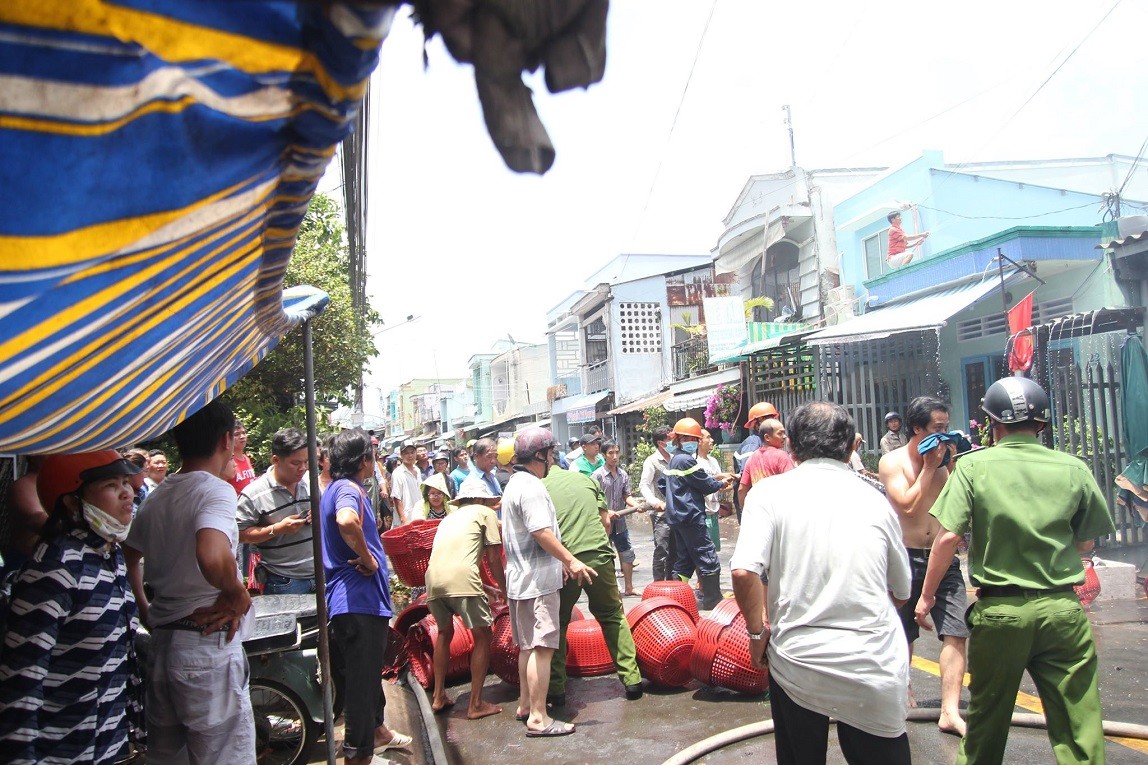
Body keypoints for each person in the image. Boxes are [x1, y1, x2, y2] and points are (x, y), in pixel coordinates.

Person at [915, 377, 1116, 765]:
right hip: (1063, 611)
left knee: (987, 723)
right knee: (1080, 725)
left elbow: (946, 538)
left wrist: (926, 597)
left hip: (1001, 613)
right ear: (1041, 425)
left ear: (993, 424)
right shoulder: (1073, 467)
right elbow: (1087, 542)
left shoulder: (973, 466)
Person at [732, 401, 912, 765]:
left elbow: (743, 571)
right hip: (872, 664)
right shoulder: (876, 499)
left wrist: (756, 635)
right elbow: (902, 590)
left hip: (799, 663)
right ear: (850, 448)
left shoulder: (767, 495)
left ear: (792, 447)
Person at [123, 399, 256, 763]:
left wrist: (145, 608)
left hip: (164, 644)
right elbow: (212, 553)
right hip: (206, 646)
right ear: (227, 440)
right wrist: (236, 594)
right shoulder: (215, 490)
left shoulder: (158, 494)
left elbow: (129, 555)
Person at [0, 451, 142, 764]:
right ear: (71, 501)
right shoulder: (55, 567)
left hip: (106, 745)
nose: (127, 492)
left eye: (126, 482)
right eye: (110, 484)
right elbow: (23, 677)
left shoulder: (111, 556)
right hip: (58, 752)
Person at [320, 428, 411, 764]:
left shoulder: (332, 488)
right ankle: (359, 757)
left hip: (351, 603)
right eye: (372, 456)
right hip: (357, 601)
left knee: (365, 678)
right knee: (360, 688)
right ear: (364, 461)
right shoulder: (347, 489)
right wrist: (370, 558)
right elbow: (347, 521)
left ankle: (374, 738)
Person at [879, 395, 968, 734]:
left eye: (947, 428)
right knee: (902, 632)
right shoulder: (893, 462)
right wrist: (930, 467)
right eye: (938, 429)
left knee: (956, 630)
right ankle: (903, 688)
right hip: (906, 556)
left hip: (943, 557)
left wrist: (955, 461)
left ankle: (950, 709)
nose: (944, 435)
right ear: (917, 429)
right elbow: (908, 507)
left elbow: (957, 499)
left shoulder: (945, 460)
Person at [501, 426, 594, 738]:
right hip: (537, 583)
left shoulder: (514, 484)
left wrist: (560, 563)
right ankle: (539, 718)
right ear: (538, 456)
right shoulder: (532, 487)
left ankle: (526, 705)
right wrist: (571, 560)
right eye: (551, 454)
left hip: (520, 580)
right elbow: (541, 532)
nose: (553, 460)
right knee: (542, 647)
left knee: (528, 646)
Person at [543, 459, 644, 706]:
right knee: (612, 615)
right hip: (599, 555)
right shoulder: (587, 480)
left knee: (557, 622)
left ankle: (556, 690)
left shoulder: (540, 487)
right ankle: (632, 682)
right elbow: (606, 522)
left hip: (565, 562)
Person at [424, 480, 506, 719]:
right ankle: (476, 704)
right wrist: (505, 589)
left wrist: (487, 588)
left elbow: (461, 558)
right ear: (481, 500)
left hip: (433, 579)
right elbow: (492, 559)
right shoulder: (485, 513)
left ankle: (439, 696)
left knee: (444, 633)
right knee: (483, 634)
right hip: (461, 579)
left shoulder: (449, 519)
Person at [663, 417, 734, 610]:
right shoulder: (686, 460)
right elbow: (705, 484)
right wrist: (721, 484)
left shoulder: (674, 459)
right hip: (691, 516)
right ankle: (712, 599)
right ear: (679, 439)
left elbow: (678, 483)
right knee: (707, 555)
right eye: (689, 439)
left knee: (684, 561)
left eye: (693, 439)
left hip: (678, 517)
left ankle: (677, 600)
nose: (692, 442)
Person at [236, 427, 314, 595]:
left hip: (320, 576)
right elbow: (239, 534)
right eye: (296, 463)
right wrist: (277, 529)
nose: (303, 468)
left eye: (306, 462)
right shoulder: (254, 494)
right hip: (283, 581)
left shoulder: (310, 484)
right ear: (276, 460)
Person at [592, 440, 644, 596]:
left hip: (620, 523)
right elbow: (591, 499)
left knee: (627, 553)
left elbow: (626, 495)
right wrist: (607, 511)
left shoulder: (623, 474)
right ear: (604, 455)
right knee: (605, 556)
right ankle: (609, 589)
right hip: (603, 523)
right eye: (610, 453)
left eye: (616, 452)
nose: (614, 456)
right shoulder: (597, 475)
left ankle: (629, 587)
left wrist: (635, 505)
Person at [639, 425, 675, 580]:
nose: (675, 441)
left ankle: (674, 585)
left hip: (677, 512)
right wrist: (654, 502)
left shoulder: (676, 459)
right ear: (661, 443)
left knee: (676, 551)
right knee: (662, 549)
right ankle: (659, 585)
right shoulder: (652, 461)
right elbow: (644, 485)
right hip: (661, 514)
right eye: (671, 438)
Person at [734, 401, 781, 522]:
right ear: (757, 423)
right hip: (754, 501)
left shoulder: (767, 444)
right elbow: (749, 477)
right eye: (769, 419)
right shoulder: (753, 443)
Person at [736, 417, 795, 509]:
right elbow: (793, 484)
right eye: (780, 433)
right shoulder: (782, 456)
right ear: (767, 437)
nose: (784, 436)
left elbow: (741, 489)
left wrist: (744, 511)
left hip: (759, 511)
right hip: (779, 510)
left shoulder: (752, 458)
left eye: (784, 432)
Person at [697, 428, 725, 553]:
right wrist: (717, 479)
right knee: (704, 552)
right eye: (708, 437)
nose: (712, 440)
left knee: (713, 551)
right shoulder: (694, 462)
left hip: (713, 511)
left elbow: (720, 484)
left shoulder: (713, 461)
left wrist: (727, 481)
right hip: (701, 513)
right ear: (699, 441)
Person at [389, 443, 421, 525]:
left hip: (418, 516)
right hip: (404, 520)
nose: (410, 455)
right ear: (401, 455)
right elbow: (396, 497)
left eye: (412, 452)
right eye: (406, 453)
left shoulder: (417, 470)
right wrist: (403, 519)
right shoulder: (398, 473)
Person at [228, 421, 256, 494]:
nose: (242, 437)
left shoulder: (246, 458)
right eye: (237, 434)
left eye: (244, 433)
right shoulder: (228, 461)